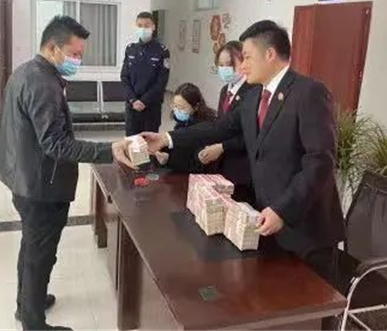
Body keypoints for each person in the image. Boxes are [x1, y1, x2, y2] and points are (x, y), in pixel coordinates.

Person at [142, 20, 345, 283]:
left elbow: (320, 162)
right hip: (268, 221)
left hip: (306, 228)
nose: (242, 65)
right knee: (274, 296)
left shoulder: (307, 93)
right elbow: (218, 128)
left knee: (314, 303)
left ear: (270, 54)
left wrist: (283, 210)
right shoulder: (253, 97)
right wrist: (166, 138)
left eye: (247, 57)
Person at [0, 15, 135, 331]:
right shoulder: (42, 83)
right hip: (40, 185)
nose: (78, 60)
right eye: (74, 53)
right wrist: (109, 149)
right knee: (40, 254)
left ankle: (27, 302)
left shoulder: (28, 71)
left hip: (25, 176)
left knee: (32, 246)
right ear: (52, 48)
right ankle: (33, 322)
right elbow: (55, 144)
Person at [197, 41, 256, 203]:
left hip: (242, 167)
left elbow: (251, 134)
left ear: (243, 62)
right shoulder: (225, 90)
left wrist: (222, 147)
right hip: (223, 163)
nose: (225, 69)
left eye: (229, 64)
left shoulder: (253, 91)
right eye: (221, 65)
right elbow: (221, 125)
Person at [121, 11, 170, 136]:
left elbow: (162, 82)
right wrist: (133, 100)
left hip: (151, 107)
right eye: (139, 25)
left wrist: (144, 101)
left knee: (150, 142)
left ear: (153, 27)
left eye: (147, 25)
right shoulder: (130, 49)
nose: (143, 29)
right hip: (132, 106)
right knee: (131, 142)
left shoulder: (162, 51)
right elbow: (124, 77)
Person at [154, 83, 217, 173]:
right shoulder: (183, 121)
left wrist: (168, 159)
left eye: (182, 108)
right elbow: (178, 146)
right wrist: (161, 148)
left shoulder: (204, 128)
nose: (177, 111)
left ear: (196, 107)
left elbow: (198, 165)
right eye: (175, 106)